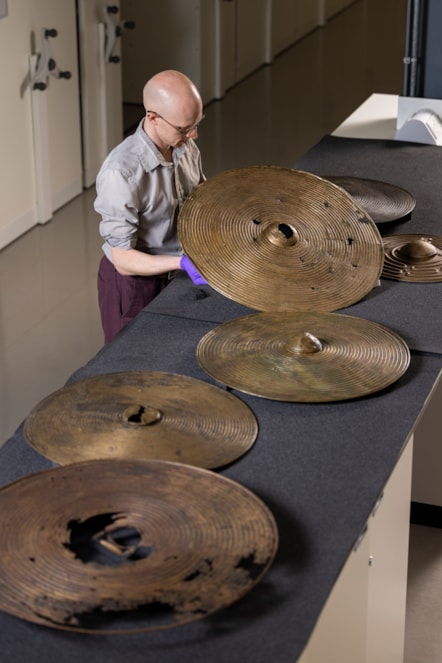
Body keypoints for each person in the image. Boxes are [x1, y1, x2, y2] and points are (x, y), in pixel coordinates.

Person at [94, 69, 207, 344]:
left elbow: (200, 196)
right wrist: (180, 262)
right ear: (153, 118)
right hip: (135, 283)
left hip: (176, 272)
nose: (193, 135)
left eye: (197, 124)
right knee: (135, 364)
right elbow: (122, 260)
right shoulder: (120, 173)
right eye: (184, 128)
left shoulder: (184, 146)